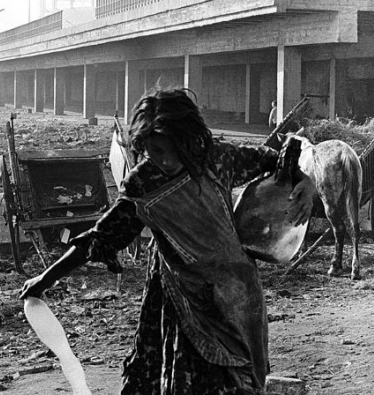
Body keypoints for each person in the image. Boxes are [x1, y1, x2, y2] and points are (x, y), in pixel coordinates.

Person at [20, 88, 315, 395]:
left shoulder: (216, 158)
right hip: (181, 296)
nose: (163, 160)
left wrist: (304, 180)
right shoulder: (143, 183)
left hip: (235, 292)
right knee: (187, 379)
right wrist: (45, 278)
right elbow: (102, 236)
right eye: (153, 151)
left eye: (168, 148)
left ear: (187, 137)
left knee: (242, 375)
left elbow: (274, 162)